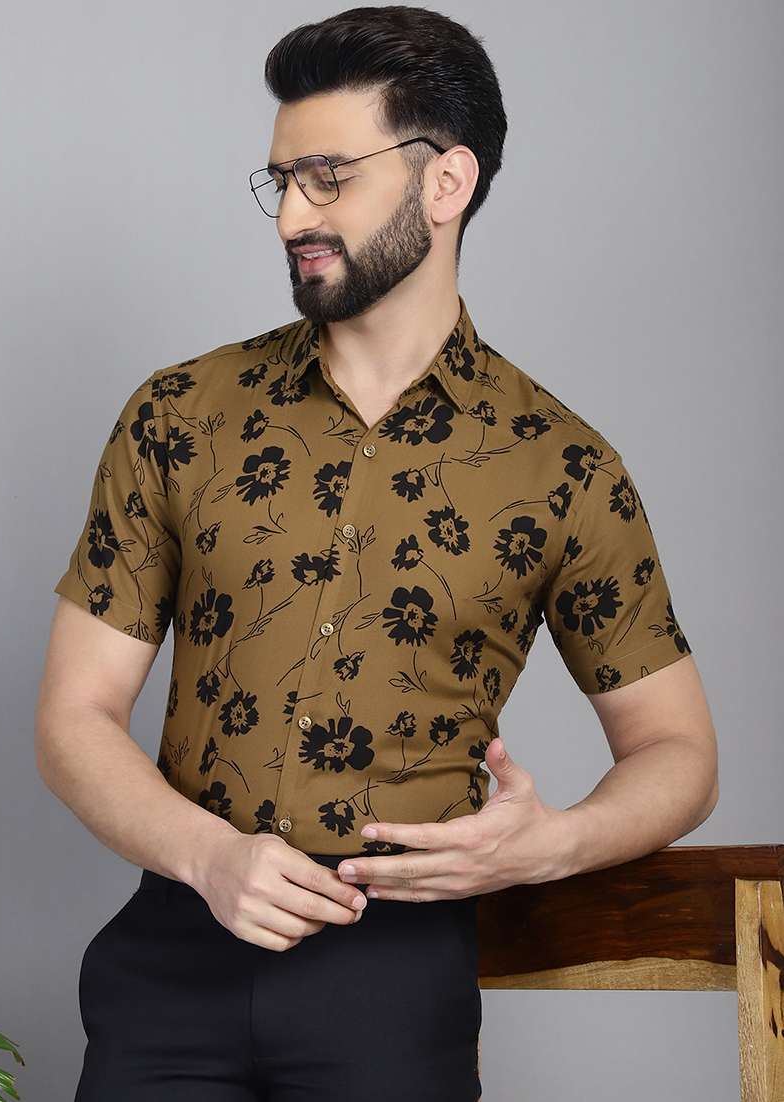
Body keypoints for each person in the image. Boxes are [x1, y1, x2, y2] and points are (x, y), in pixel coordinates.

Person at [36, 6, 717, 1100]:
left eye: (326, 177)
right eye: (280, 181)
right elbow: (74, 716)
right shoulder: (179, 414)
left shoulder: (561, 465)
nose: (289, 216)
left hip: (393, 983)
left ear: (445, 182)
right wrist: (209, 857)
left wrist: (546, 846)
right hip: (172, 953)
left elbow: (678, 753)